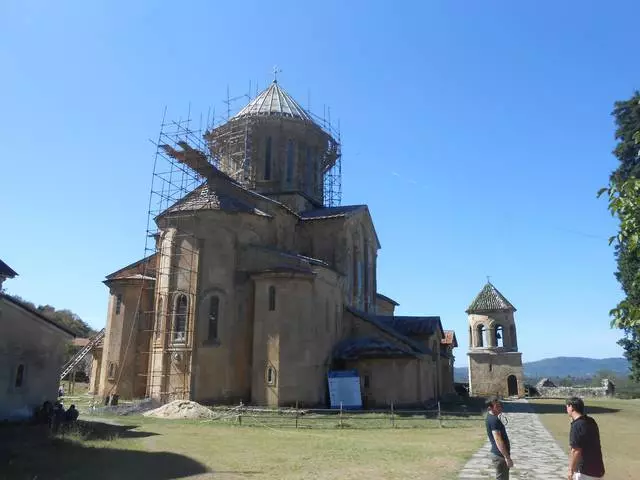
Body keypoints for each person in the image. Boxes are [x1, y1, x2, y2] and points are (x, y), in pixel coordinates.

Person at [566, 397, 605, 480]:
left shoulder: (577, 425)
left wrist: (570, 469)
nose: (566, 409)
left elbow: (576, 450)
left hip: (584, 472)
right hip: (598, 469)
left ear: (571, 407)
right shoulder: (591, 421)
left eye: (567, 406)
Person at [485, 396, 513, 480]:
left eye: (500, 405)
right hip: (499, 456)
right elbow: (498, 440)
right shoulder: (494, 420)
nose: (500, 408)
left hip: (498, 454)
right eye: (497, 406)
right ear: (490, 408)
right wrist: (507, 457)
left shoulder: (491, 417)